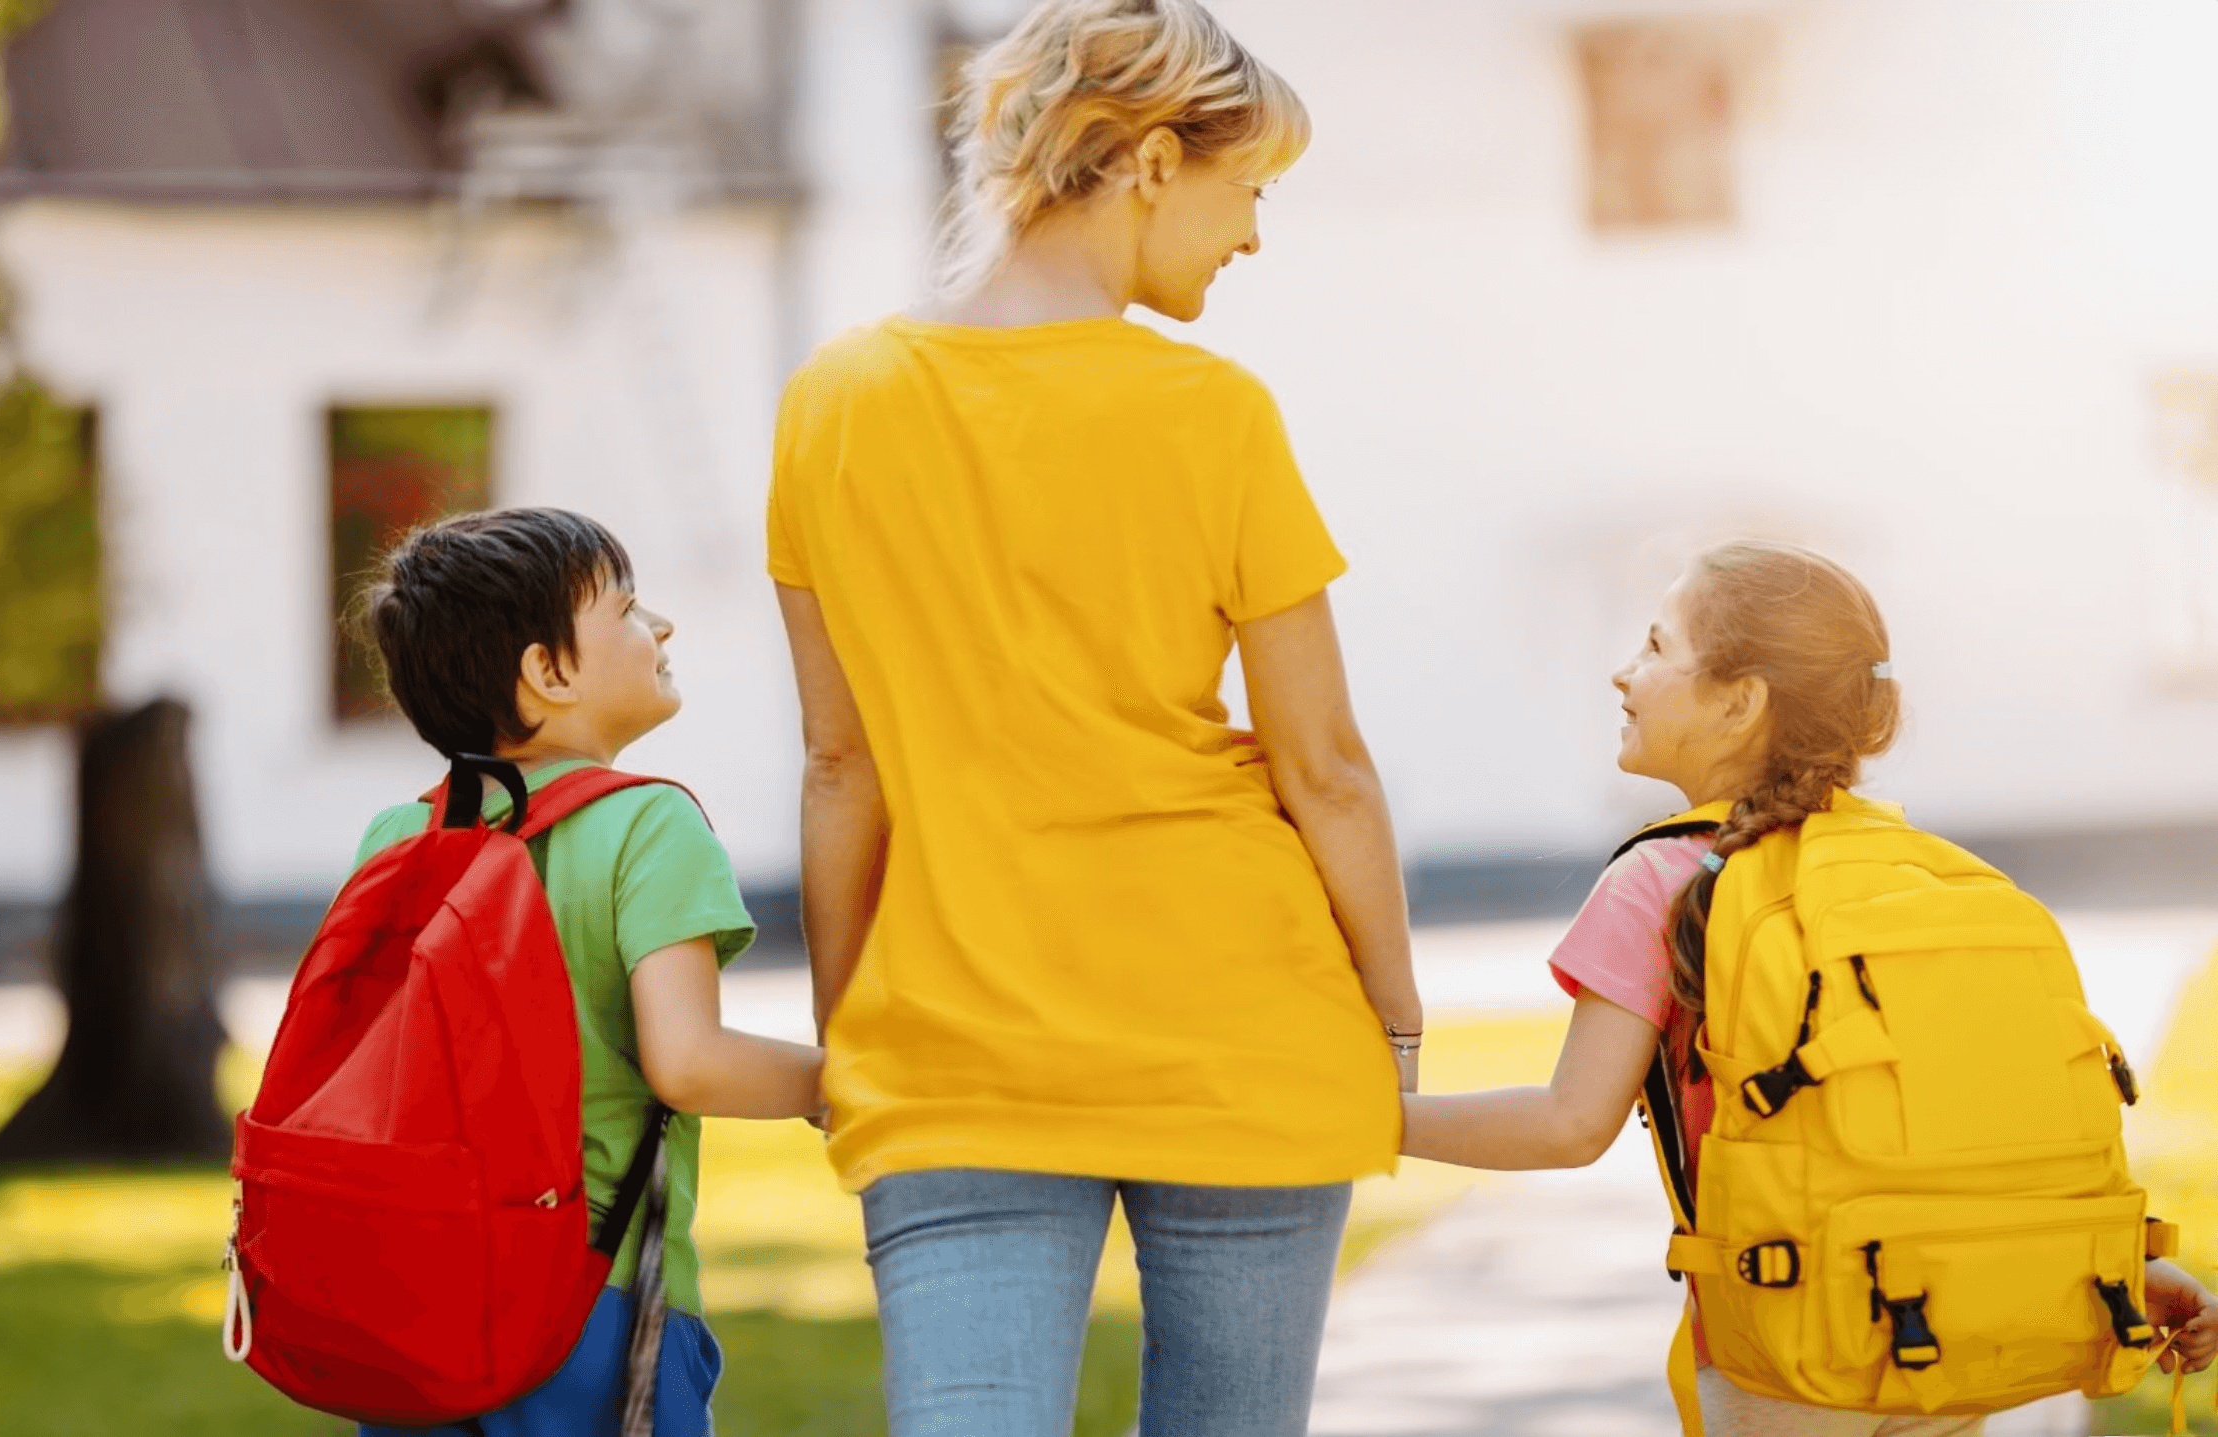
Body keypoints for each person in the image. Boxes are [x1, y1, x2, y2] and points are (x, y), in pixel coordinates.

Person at [764, 1, 1416, 1432]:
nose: (1248, 236)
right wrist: (1394, 1021)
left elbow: (836, 763)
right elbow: (1325, 767)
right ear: (1147, 163)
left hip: (949, 1055)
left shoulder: (831, 401)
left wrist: (848, 1024)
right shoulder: (1212, 412)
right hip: (1239, 1029)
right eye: (1245, 191)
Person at [1399, 541, 2218, 1434]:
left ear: (1739, 699)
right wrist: (2109, 1263)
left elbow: (1566, 1124)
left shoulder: (1661, 879)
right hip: (1938, 1337)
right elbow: (1962, 1129)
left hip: (1789, 1360)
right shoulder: (1921, 873)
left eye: (1654, 647)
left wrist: (1366, 1117)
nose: (1621, 672)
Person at [349, 506, 826, 1437]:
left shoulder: (394, 838)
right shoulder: (647, 826)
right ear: (548, 671)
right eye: (629, 607)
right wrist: (837, 1081)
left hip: (413, 1295)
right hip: (585, 1296)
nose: (662, 627)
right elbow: (686, 1061)